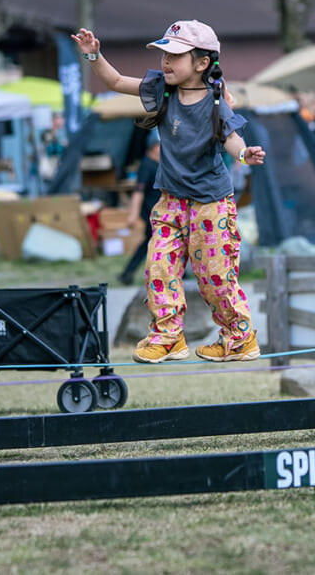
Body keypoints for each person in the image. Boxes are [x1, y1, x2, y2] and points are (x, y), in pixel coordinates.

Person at [72, 20, 266, 364]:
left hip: (211, 204)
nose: (165, 62)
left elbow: (231, 137)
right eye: (163, 54)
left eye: (175, 56)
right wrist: (93, 56)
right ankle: (167, 336)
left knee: (215, 278)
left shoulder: (217, 99)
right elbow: (115, 81)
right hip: (170, 200)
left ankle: (238, 337)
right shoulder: (161, 88)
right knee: (158, 269)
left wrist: (243, 154)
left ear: (202, 63)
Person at [117, 129, 162, 286]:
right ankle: (129, 273)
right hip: (150, 211)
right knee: (155, 242)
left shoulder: (158, 163)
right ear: (154, 147)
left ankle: (127, 273)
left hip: (158, 211)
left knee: (150, 242)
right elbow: (138, 192)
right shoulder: (146, 165)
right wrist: (133, 214)